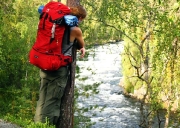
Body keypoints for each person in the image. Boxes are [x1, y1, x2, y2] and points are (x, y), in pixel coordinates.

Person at [34, 4, 87, 126]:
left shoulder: (53, 23)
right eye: (81, 19)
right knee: (52, 101)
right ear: (78, 18)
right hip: (58, 68)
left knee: (42, 98)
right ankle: (45, 126)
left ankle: (36, 125)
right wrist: (82, 48)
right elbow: (81, 44)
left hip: (44, 63)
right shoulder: (75, 30)